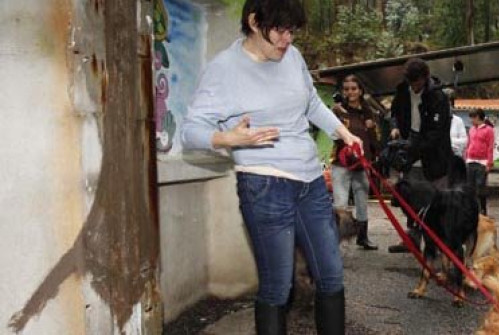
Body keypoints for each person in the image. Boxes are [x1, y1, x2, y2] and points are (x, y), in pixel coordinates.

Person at [181, 1, 361, 334]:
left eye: (292, 31)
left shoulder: (292, 57)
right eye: (280, 30)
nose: (287, 40)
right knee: (279, 286)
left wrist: (344, 132)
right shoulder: (224, 69)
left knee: (331, 276)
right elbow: (190, 131)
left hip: (310, 183)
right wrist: (230, 138)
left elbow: (311, 103)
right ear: (253, 21)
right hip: (265, 187)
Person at [385, 58, 453, 253]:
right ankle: (412, 238)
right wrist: (396, 128)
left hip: (434, 153)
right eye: (411, 83)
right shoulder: (402, 91)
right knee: (410, 196)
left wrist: (413, 147)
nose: (415, 87)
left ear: (425, 78)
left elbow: (436, 132)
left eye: (418, 83)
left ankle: (441, 243)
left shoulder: (438, 97)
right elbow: (394, 114)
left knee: (437, 199)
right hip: (409, 147)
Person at [331, 74, 379, 250]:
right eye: (346, 89)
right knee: (340, 203)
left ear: (360, 90)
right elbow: (333, 135)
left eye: (353, 88)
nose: (350, 92)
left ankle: (363, 237)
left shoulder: (369, 112)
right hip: (341, 163)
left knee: (361, 201)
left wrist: (373, 159)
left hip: (362, 164)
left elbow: (374, 140)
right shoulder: (337, 111)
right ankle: (334, 241)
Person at [465, 108, 495, 215]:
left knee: (480, 186)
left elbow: (490, 146)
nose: (471, 120)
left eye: (472, 118)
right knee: (470, 186)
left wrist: (489, 162)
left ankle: (482, 208)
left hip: (482, 161)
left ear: (477, 117)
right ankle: (472, 208)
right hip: (470, 160)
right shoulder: (472, 129)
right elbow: (468, 143)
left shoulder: (488, 130)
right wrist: (466, 157)